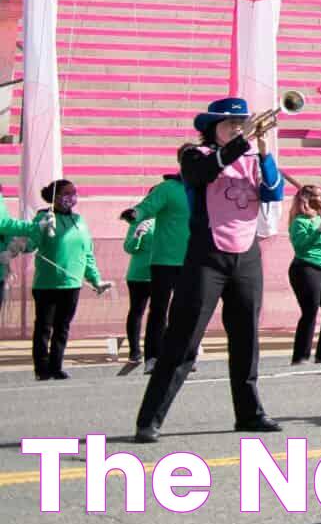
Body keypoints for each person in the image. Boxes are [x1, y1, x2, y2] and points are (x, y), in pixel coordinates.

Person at [133, 97, 286, 441]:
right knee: (183, 339)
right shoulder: (194, 156)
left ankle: (250, 413)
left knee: (246, 338)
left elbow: (274, 193)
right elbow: (204, 175)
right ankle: (150, 419)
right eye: (229, 124)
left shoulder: (250, 157)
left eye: (241, 123)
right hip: (206, 256)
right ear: (211, 129)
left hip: (246, 256)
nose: (237, 128)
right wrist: (241, 142)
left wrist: (263, 151)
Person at [21, 180, 110, 379]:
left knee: (62, 327)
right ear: (55, 197)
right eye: (67, 193)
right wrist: (40, 228)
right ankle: (41, 369)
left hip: (72, 284)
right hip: (47, 283)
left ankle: (56, 365)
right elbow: (30, 245)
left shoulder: (79, 221)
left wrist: (96, 279)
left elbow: (87, 254)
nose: (72, 196)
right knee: (44, 327)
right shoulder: (44, 216)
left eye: (74, 192)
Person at [130, 169, 192, 366]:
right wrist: (135, 214)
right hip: (164, 262)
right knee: (158, 310)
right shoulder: (167, 188)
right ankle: (153, 357)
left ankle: (182, 355)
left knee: (187, 310)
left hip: (191, 261)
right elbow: (146, 207)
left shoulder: (204, 188)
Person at [285, 185, 321, 366]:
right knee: (310, 311)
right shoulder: (300, 222)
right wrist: (318, 231)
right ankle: (301, 355)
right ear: (306, 199)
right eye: (317, 196)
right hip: (306, 268)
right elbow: (300, 246)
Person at [118, 204, 156, 372]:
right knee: (136, 311)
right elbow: (129, 247)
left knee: (159, 313)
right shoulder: (140, 220)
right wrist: (137, 234)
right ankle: (134, 351)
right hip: (139, 276)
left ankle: (156, 350)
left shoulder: (170, 221)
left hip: (161, 274)